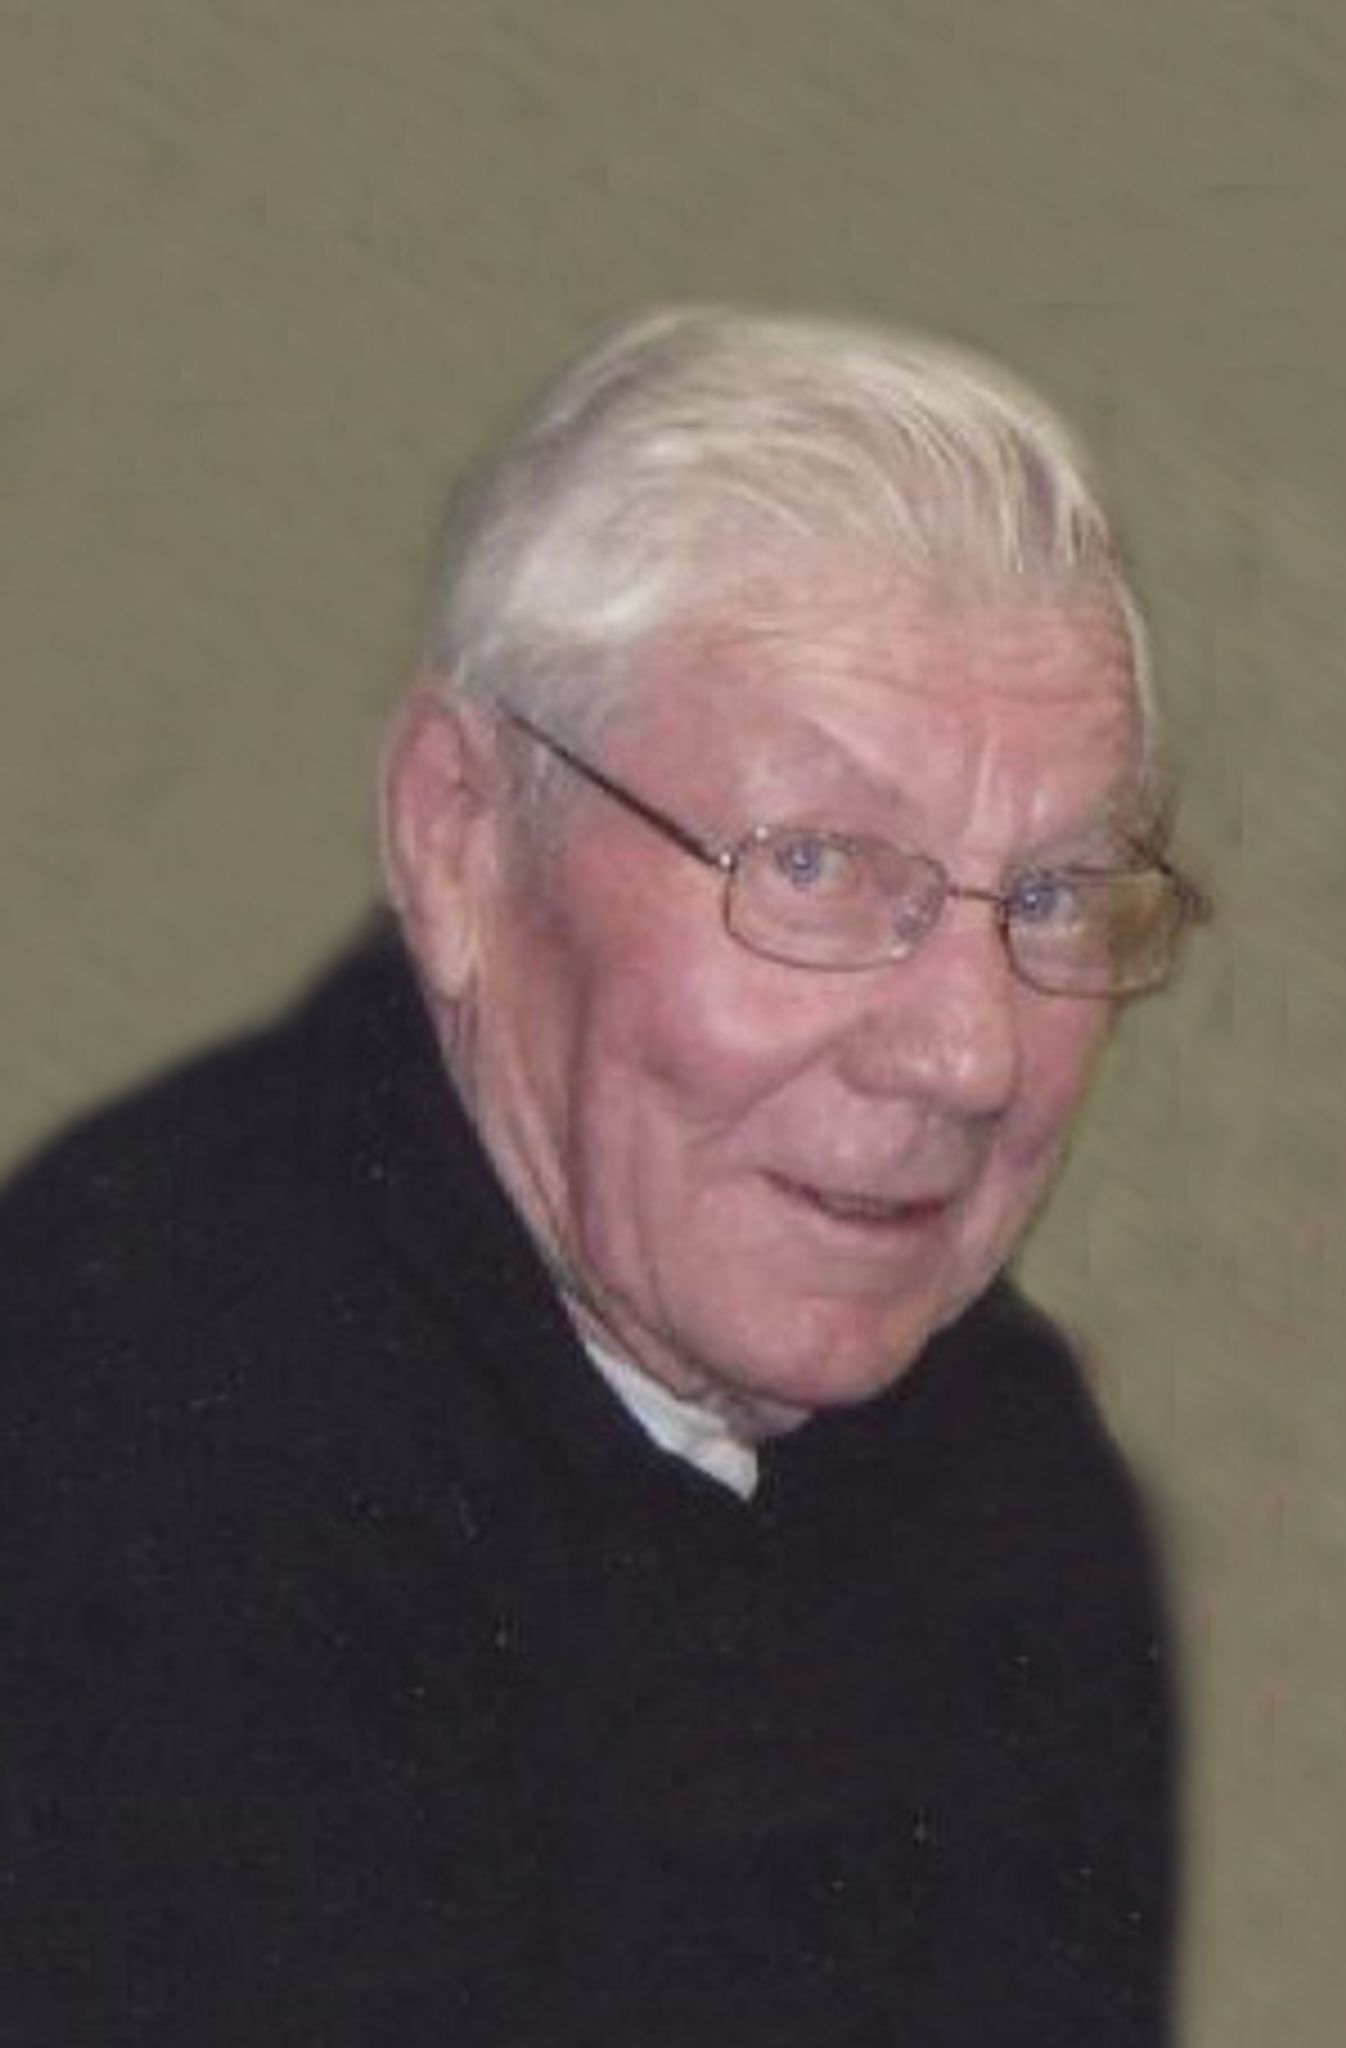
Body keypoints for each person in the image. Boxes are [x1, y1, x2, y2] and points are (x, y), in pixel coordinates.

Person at [1, 308, 1204, 2045]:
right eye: (814, 867)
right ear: (460, 836)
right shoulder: (107, 1450)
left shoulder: (1014, 1474)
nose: (969, 1057)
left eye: (1052, 899)